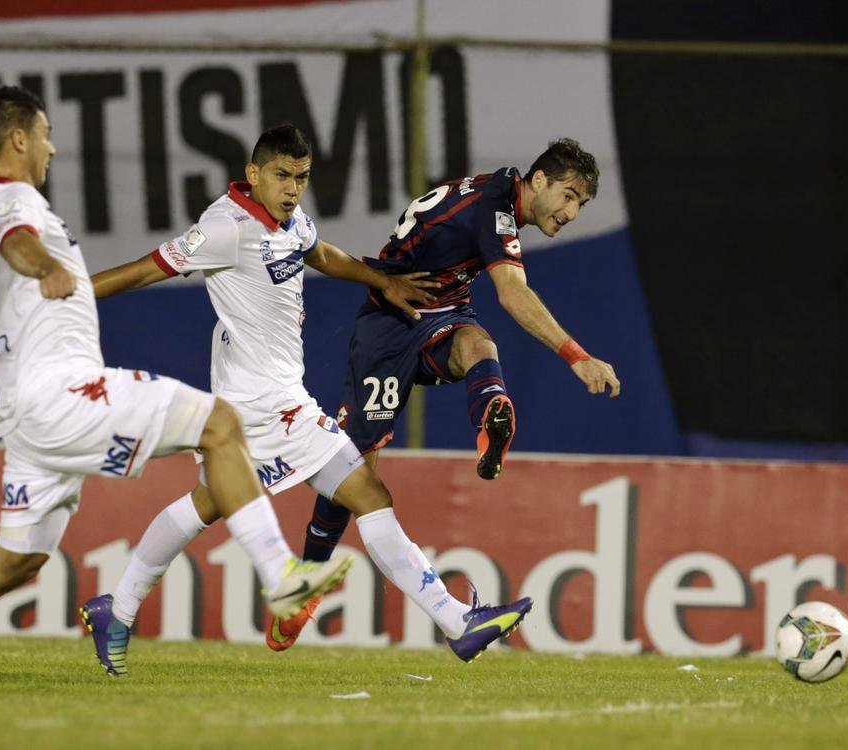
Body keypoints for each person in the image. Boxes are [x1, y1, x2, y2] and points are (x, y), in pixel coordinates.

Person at [0, 87, 350, 697]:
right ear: (19, 139)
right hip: (65, 392)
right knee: (220, 423)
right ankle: (282, 577)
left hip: (25, 413)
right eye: (46, 134)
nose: (52, 148)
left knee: (16, 560)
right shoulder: (11, 202)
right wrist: (46, 267)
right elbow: (19, 243)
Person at [83, 124, 532, 675]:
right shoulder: (224, 227)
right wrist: (67, 295)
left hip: (264, 399)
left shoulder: (291, 221)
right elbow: (142, 271)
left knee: (211, 503)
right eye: (281, 175)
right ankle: (455, 621)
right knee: (366, 493)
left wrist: (380, 280)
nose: (293, 188)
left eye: (301, 177)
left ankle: (117, 610)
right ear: (253, 174)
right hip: (263, 405)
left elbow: (321, 254)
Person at [270, 139, 620, 651]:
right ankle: (303, 588)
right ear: (539, 180)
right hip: (392, 322)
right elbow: (513, 293)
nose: (571, 213)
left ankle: (490, 422)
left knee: (479, 344)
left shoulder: (497, 196)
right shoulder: (495, 207)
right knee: (354, 475)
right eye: (568, 196)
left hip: (443, 311)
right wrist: (578, 357)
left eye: (581, 205)